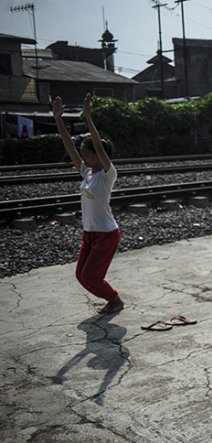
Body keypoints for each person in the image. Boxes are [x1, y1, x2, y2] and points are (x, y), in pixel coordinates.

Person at [53, 93, 124, 314]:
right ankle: (111, 299)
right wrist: (58, 118)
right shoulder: (87, 173)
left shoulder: (107, 175)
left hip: (106, 233)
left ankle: (115, 300)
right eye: (82, 156)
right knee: (80, 276)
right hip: (90, 233)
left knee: (90, 276)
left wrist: (89, 117)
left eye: (87, 155)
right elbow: (69, 148)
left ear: (98, 156)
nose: (83, 159)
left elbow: (99, 148)